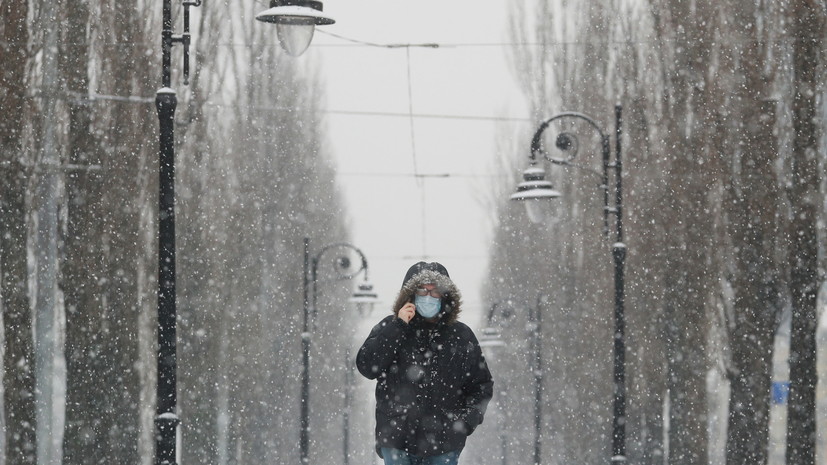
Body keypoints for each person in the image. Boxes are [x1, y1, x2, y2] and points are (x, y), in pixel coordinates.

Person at [357, 262, 493, 465]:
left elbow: (481, 386)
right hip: (396, 440)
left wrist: (465, 422)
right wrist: (399, 326)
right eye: (422, 290)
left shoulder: (461, 336)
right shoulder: (391, 327)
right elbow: (367, 366)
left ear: (445, 296)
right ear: (410, 295)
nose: (428, 297)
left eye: (435, 291)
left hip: (444, 445)